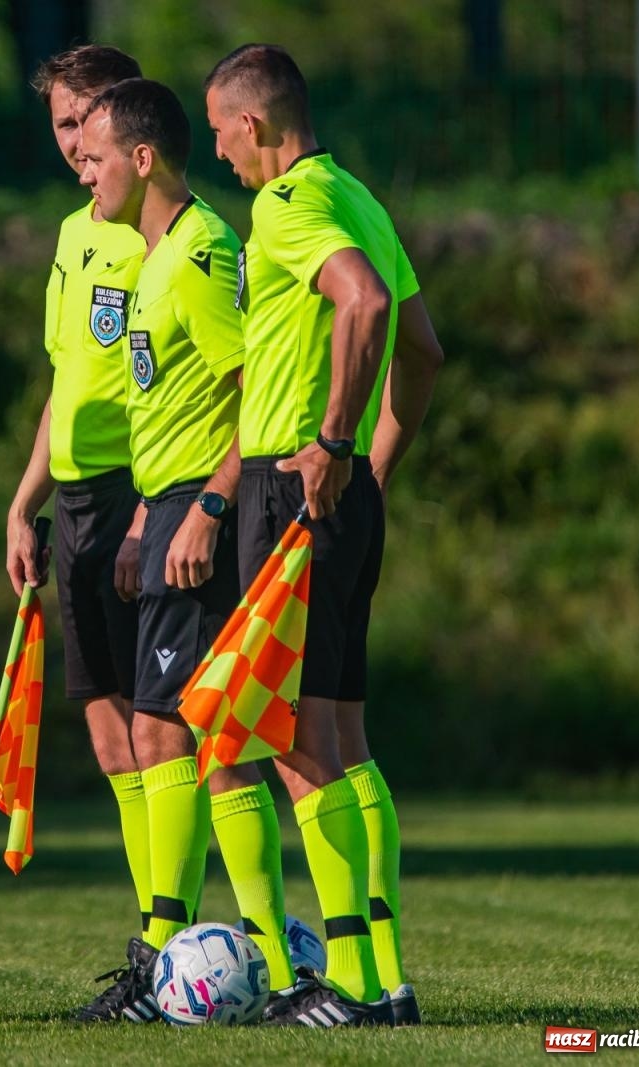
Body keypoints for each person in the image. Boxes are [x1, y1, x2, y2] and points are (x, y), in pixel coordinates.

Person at [203, 43, 445, 1027]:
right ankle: (384, 976)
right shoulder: (361, 197)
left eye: (219, 130)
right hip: (338, 494)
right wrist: (373, 466)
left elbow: (368, 304)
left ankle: (348, 984)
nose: (217, 152)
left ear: (252, 124)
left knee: (297, 738)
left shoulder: (290, 204)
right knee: (341, 734)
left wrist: (334, 442)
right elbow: (421, 351)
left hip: (289, 487)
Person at [76, 73, 304, 1016]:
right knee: (180, 730)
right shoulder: (151, 256)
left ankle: (187, 958)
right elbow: (164, 401)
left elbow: (258, 385)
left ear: (141, 158)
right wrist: (142, 520)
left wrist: (209, 507)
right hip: (162, 507)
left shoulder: (203, 252)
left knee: (196, 733)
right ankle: (187, 956)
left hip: (199, 509)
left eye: (96, 159)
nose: (86, 178)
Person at [3, 45, 162, 1023]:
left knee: (160, 726)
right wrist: (24, 500)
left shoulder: (169, 235)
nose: (73, 145)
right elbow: (68, 380)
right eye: (61, 125)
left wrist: (161, 504)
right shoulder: (73, 233)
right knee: (107, 733)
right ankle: (157, 939)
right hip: (73, 502)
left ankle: (172, 939)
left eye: (86, 122)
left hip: (142, 490)